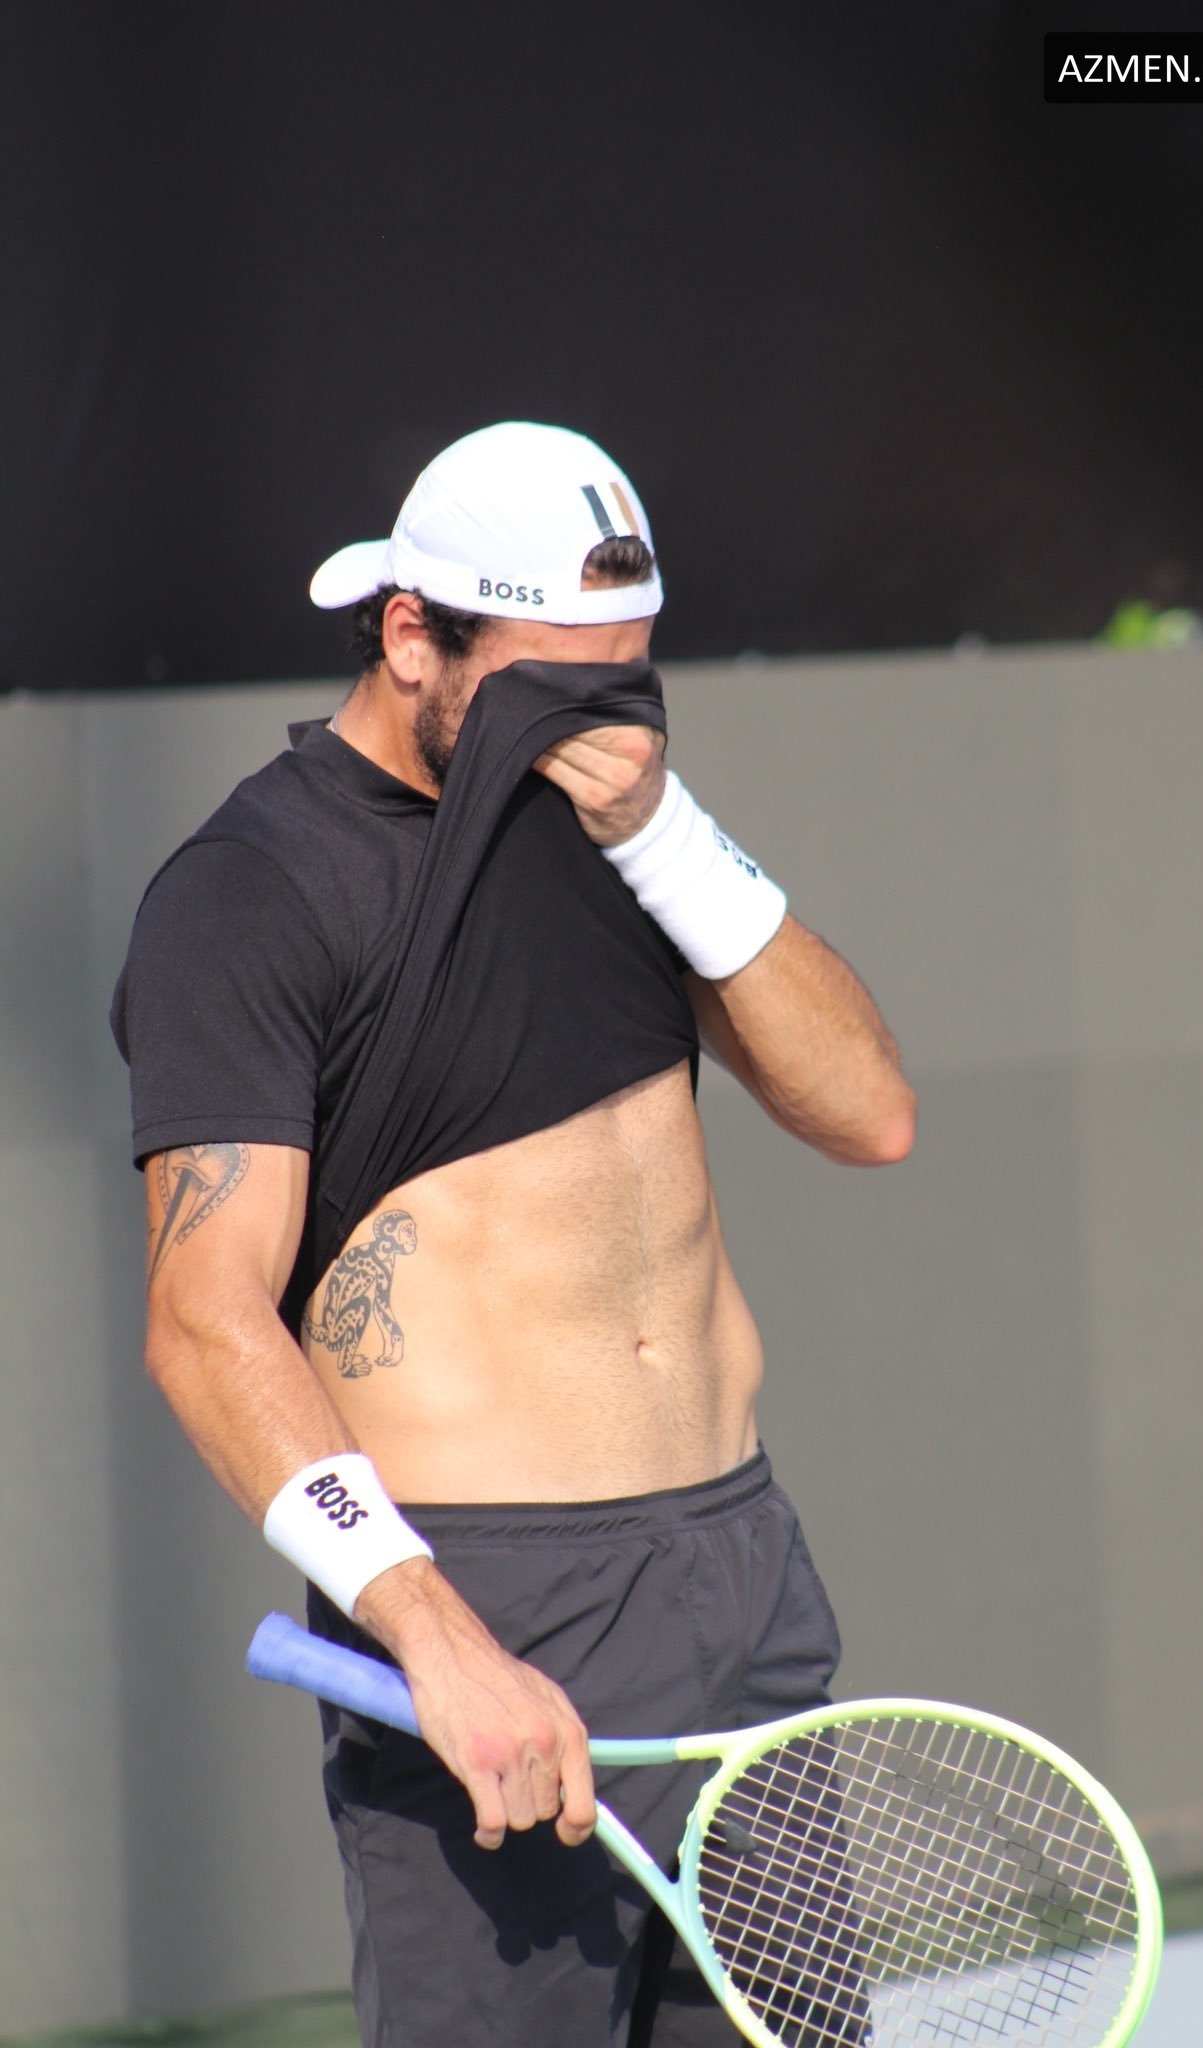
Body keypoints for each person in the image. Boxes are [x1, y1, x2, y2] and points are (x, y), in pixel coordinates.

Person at [111, 421, 915, 2048]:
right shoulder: (251, 890)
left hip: (739, 1576)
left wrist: (661, 833)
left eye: (631, 680)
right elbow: (204, 1319)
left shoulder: (625, 833)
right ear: (412, 635)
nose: (604, 723)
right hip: (491, 1603)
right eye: (557, 685)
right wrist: (431, 1631)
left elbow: (868, 1115)